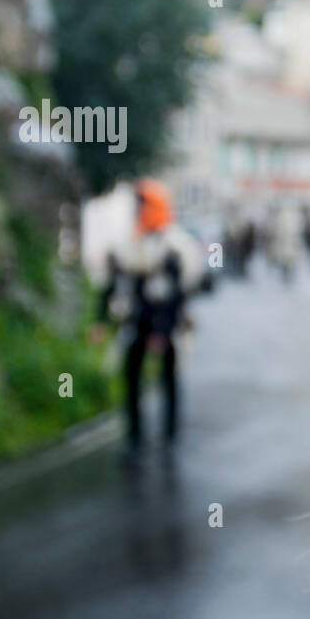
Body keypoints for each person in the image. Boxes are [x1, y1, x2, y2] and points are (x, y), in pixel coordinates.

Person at [94, 179, 203, 463]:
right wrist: (100, 320)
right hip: (135, 323)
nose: (137, 210)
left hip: (165, 326)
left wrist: (161, 331)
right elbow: (113, 282)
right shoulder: (129, 243)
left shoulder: (171, 247)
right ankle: (134, 437)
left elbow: (174, 294)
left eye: (142, 204)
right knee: (131, 378)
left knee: (169, 379)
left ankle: (169, 438)